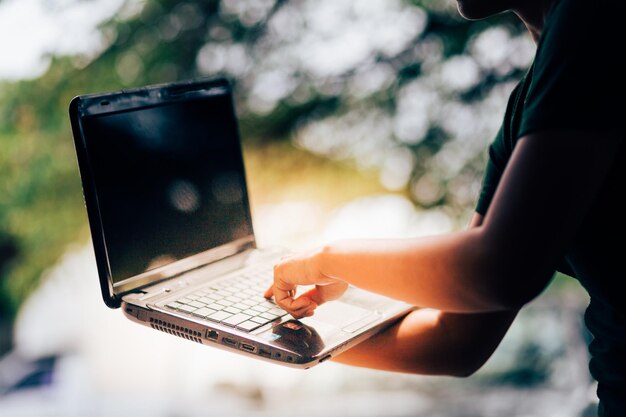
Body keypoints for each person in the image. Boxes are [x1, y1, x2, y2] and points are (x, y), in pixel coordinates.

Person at [263, 0, 625, 415]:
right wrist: (274, 334)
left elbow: (498, 270)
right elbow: (457, 338)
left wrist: (329, 260)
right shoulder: (526, 105)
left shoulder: (595, 16)